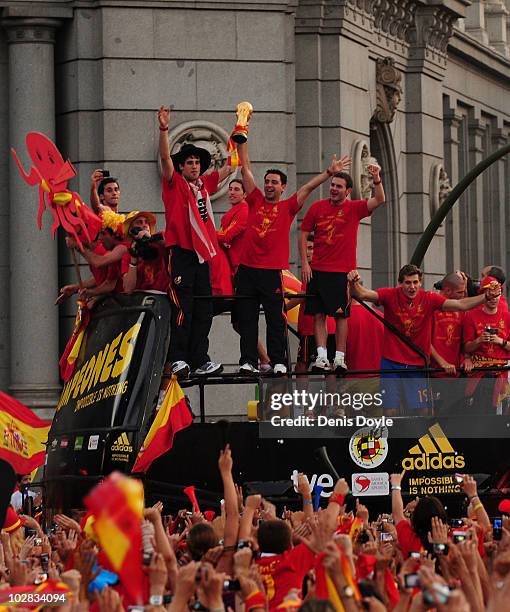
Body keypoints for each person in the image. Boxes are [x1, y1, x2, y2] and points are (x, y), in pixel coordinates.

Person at [235, 136, 351, 375]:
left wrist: (329, 172)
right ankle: (248, 361)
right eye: (267, 181)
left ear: (282, 187)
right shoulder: (254, 199)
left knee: (275, 319)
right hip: (246, 270)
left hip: (271, 271)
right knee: (247, 318)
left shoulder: (288, 206)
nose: (268, 185)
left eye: (274, 182)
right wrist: (242, 137)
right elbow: (245, 168)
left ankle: (278, 361)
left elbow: (308, 188)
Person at [348, 264, 500, 416]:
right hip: (391, 363)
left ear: (420, 283)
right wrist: (353, 283)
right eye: (408, 282)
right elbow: (363, 294)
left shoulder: (429, 298)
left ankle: (420, 438)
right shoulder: (390, 295)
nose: (412, 287)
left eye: (415, 282)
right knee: (390, 410)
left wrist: (485, 297)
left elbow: (460, 304)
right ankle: (394, 439)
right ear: (400, 283)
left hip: (417, 364)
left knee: (423, 410)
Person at [158, 106, 234, 379]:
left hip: (203, 257)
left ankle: (200, 358)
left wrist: (240, 131)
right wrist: (164, 129)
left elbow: (230, 167)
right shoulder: (174, 183)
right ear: (181, 166)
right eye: (189, 162)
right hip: (181, 253)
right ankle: (178, 358)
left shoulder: (203, 185)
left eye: (197, 162)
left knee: (204, 308)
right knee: (182, 306)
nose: (194, 166)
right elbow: (165, 157)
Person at [299, 165, 385, 373]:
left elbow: (379, 200)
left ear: (348, 191)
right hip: (317, 270)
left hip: (341, 271)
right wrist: (305, 262)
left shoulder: (354, 208)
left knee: (341, 316)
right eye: (332, 185)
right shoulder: (317, 207)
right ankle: (321, 356)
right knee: (318, 314)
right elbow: (303, 234)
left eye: (339, 186)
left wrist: (376, 179)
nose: (334, 189)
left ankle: (339, 357)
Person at [463, 275, 510, 413]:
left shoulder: (507, 317)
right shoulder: (470, 315)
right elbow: (466, 347)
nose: (494, 298)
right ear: (483, 295)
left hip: (502, 374)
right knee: (479, 415)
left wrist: (500, 341)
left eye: (497, 294)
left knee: (501, 417)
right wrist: (479, 341)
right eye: (490, 294)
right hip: (479, 375)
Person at [120, 211, 169, 293]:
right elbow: (128, 289)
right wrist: (133, 259)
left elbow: (169, 245)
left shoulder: (159, 239)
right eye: (139, 222)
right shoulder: (128, 253)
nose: (144, 225)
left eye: (146, 222)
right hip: (139, 297)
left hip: (162, 296)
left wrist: (150, 239)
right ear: (131, 230)